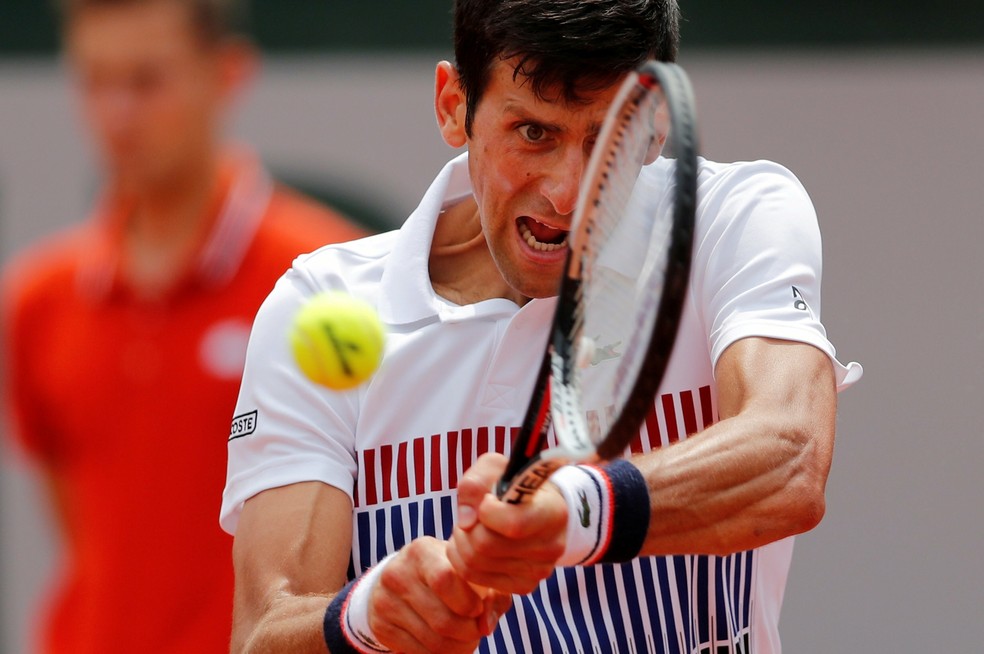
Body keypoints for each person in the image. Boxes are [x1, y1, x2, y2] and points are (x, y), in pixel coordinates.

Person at [219, 0, 863, 652]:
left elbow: (791, 458)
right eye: (534, 133)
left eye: (611, 139)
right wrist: (362, 621)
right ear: (453, 106)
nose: (568, 192)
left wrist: (573, 512)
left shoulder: (730, 220)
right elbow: (266, 632)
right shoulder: (320, 304)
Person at [0, 0, 366, 651]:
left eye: (146, 81)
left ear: (227, 73)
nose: (117, 113)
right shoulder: (38, 301)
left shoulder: (326, 279)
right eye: (95, 80)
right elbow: (82, 527)